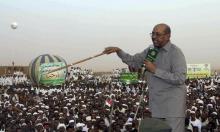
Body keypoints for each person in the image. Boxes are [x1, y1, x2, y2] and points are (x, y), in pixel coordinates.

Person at [103, 23, 187, 132]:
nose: (154, 37)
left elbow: (180, 78)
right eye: (152, 33)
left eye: (158, 34)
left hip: (172, 109)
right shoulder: (151, 50)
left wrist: (155, 70)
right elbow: (134, 61)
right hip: (156, 107)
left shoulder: (176, 53)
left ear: (167, 36)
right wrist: (119, 51)